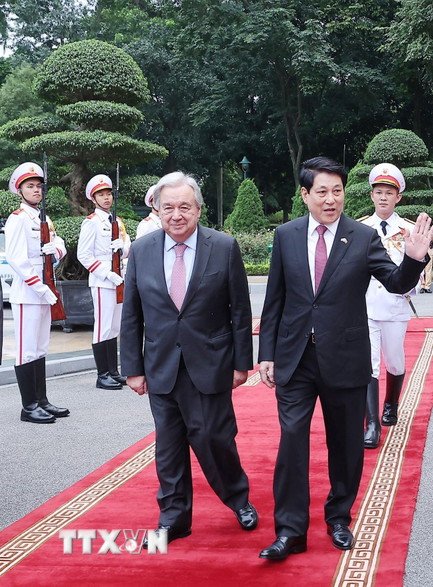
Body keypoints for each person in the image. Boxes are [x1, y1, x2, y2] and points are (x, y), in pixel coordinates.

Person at [257, 156, 432, 561]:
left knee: (346, 445)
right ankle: (290, 531)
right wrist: (266, 354)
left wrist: (414, 258)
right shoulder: (286, 235)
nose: (331, 199)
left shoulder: (362, 236)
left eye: (337, 191)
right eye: (322, 191)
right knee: (292, 444)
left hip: (346, 358)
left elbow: (395, 282)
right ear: (305, 195)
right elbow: (275, 300)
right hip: (295, 359)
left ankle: (339, 518)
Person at [120, 171, 257, 546]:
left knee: (215, 439)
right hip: (161, 366)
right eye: (168, 207)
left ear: (198, 210)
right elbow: (131, 313)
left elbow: (240, 312)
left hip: (211, 364)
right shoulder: (143, 250)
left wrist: (242, 363)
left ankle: (238, 497)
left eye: (184, 207)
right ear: (157, 210)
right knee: (169, 447)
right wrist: (132, 368)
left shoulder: (224, 247)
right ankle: (174, 518)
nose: (176, 214)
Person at [358, 163, 422, 449]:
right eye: (378, 192)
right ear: (371, 196)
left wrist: (410, 287)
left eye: (389, 193)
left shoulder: (409, 230)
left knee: (394, 361)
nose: (383, 197)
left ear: (398, 198)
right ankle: (372, 423)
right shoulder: (359, 229)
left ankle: (391, 403)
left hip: (395, 306)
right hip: (366, 306)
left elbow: (418, 270)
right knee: (368, 364)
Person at [5, 162, 69, 423]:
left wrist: (55, 249)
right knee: (26, 350)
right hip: (29, 293)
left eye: (38, 186)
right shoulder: (18, 219)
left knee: (41, 347)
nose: (36, 190)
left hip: (45, 290)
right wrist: (40, 288)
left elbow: (60, 246)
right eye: (29, 186)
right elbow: (16, 259)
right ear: (19, 191)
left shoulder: (45, 218)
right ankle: (28, 406)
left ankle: (42, 400)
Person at [77, 174, 132, 390]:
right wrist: (106, 274)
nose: (107, 198)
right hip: (102, 280)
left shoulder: (117, 221)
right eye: (102, 195)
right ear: (94, 198)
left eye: (109, 194)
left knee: (114, 326)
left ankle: (113, 371)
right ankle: (102, 375)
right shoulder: (91, 223)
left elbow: (128, 249)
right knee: (103, 326)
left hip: (119, 277)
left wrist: (123, 246)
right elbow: (84, 255)